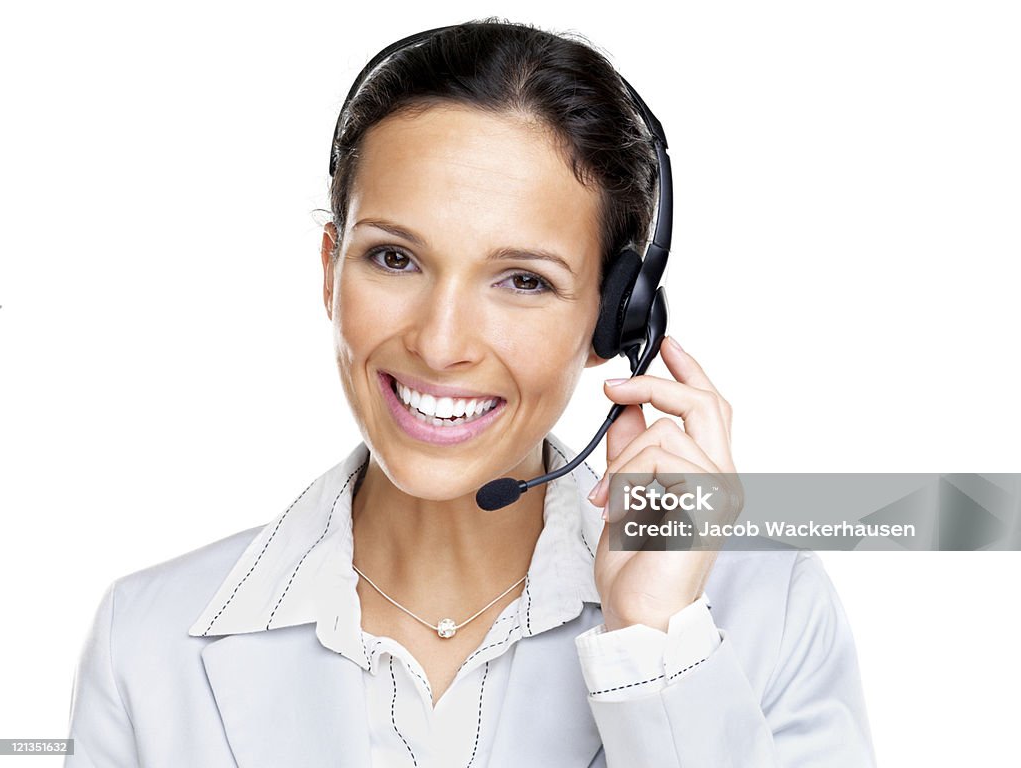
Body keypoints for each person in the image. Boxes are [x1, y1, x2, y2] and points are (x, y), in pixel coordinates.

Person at [64, 20, 876, 767]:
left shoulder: (773, 615)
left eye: (523, 280)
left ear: (614, 318)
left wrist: (656, 648)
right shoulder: (146, 640)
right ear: (327, 269)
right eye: (394, 259)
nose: (441, 342)